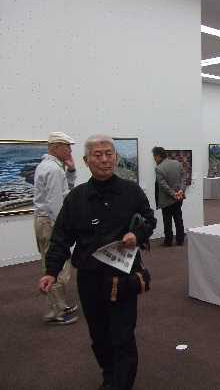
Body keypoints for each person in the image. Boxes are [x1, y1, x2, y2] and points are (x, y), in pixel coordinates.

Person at [39, 135, 156, 390]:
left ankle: (121, 384)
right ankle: (109, 376)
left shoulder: (132, 192)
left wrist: (137, 235)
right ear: (86, 160)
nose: (104, 159)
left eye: (108, 154)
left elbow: (149, 220)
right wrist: (51, 271)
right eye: (97, 154)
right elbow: (61, 238)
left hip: (123, 277)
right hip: (90, 279)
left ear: (116, 157)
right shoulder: (76, 198)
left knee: (123, 336)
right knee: (99, 336)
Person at [33, 131, 78, 325]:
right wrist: (63, 229)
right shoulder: (52, 169)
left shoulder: (51, 167)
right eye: (67, 147)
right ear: (56, 147)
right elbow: (55, 204)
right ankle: (56, 312)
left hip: (45, 221)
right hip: (50, 223)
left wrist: (71, 171)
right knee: (57, 265)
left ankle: (59, 305)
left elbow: (65, 193)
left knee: (54, 263)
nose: (69, 151)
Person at [152, 147, 186, 246]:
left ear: (158, 156)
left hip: (166, 200)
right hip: (179, 198)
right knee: (178, 219)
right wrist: (181, 190)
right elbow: (184, 178)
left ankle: (168, 241)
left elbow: (163, 185)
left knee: (167, 221)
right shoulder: (177, 163)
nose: (154, 158)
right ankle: (180, 239)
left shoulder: (159, 168)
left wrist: (173, 194)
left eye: (154, 156)